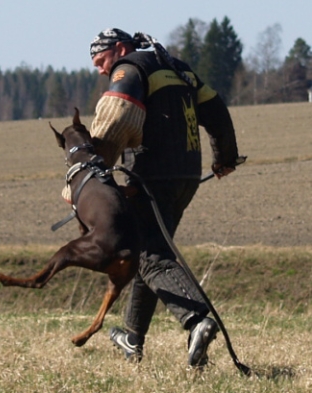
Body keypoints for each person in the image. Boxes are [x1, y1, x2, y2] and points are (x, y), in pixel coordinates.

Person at [87, 28, 240, 368]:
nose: (101, 70)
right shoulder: (178, 67)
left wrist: (92, 171)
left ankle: (197, 318)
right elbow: (217, 111)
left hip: (150, 176)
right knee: (151, 249)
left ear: (120, 48)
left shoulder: (129, 68)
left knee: (151, 256)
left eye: (101, 61)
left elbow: (117, 114)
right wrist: (225, 159)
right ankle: (132, 337)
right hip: (186, 176)